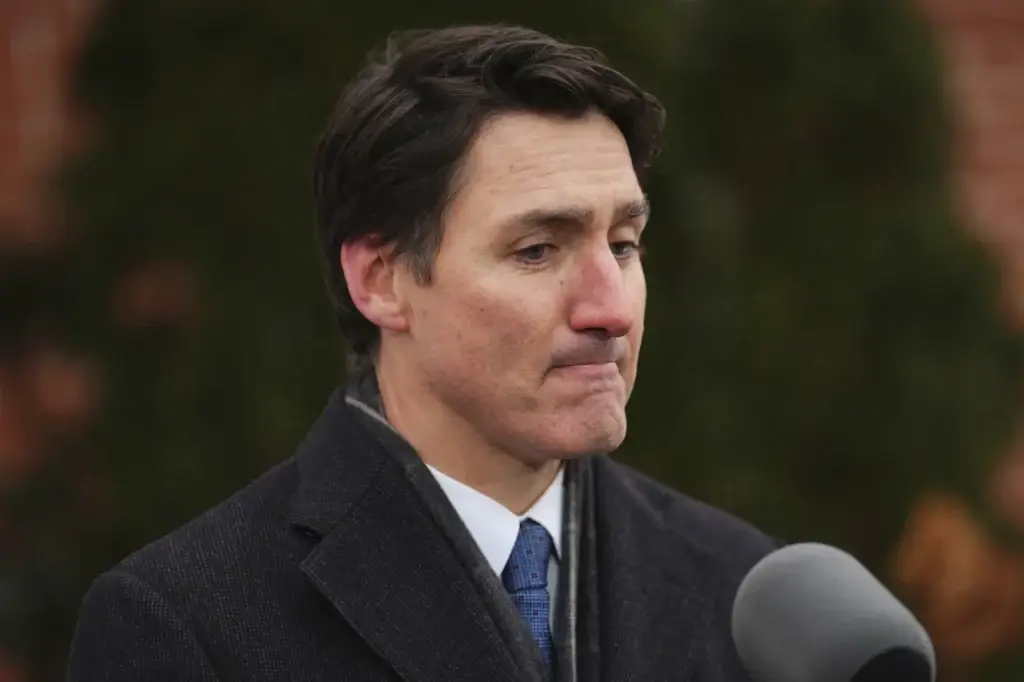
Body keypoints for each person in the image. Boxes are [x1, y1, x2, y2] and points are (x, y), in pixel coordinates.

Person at [68, 24, 774, 682]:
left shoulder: (742, 590)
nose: (612, 308)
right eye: (537, 250)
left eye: (624, 245)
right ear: (382, 280)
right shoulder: (184, 624)